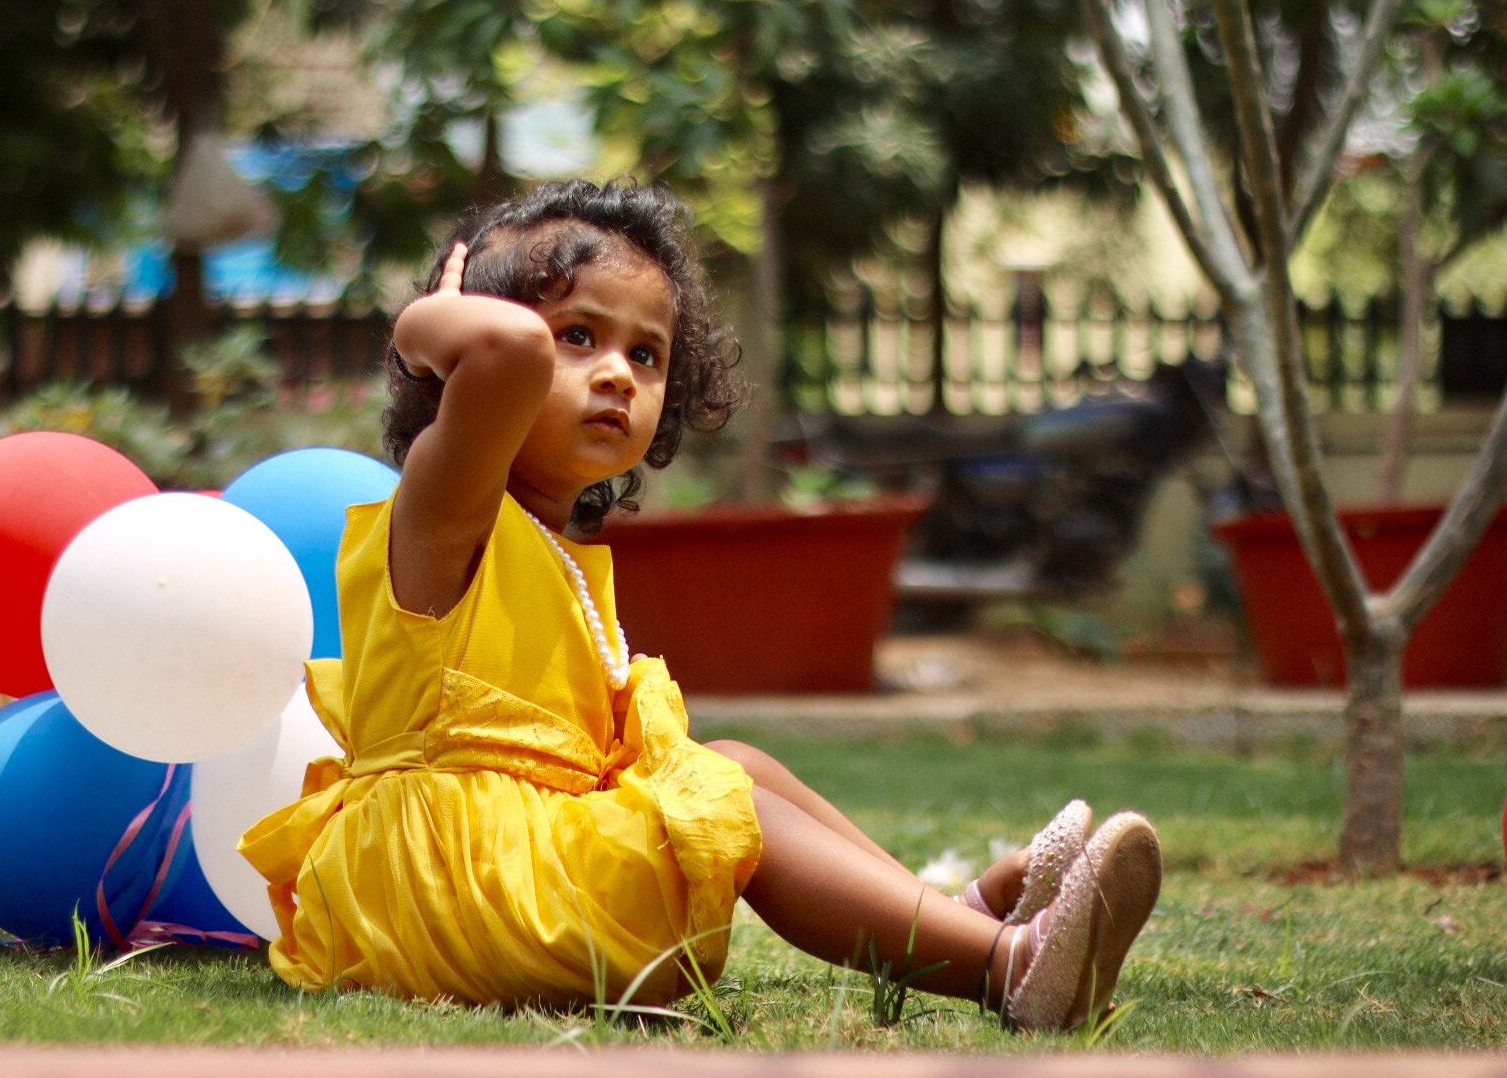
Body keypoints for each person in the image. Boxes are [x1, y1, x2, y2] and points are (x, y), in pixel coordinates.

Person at [240, 180, 1161, 1029]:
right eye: (578, 337)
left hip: (514, 869)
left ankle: (938, 918)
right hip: (451, 887)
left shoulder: (556, 550)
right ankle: (1011, 968)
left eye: (647, 354)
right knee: (718, 795)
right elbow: (504, 352)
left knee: (732, 761)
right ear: (459, 358)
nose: (617, 375)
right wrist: (422, 327)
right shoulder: (445, 513)